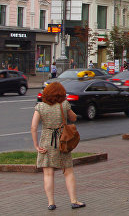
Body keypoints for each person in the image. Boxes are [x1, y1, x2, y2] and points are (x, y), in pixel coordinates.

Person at [30, 82, 85, 210]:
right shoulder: (64, 104)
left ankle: (51, 203)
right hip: (62, 141)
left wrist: (36, 145)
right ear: (61, 93)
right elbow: (74, 118)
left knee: (48, 174)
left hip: (46, 141)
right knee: (68, 171)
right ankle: (74, 200)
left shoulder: (40, 107)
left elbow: (33, 127)